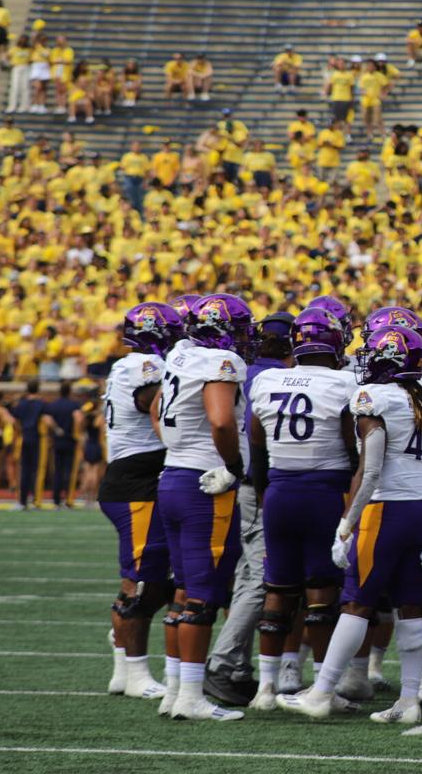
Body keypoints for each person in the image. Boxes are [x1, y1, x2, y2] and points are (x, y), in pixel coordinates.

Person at [278, 325, 422, 724]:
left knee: (355, 602)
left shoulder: (374, 397)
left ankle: (321, 691)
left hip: (386, 510)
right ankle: (408, 700)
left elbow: (370, 472)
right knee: (410, 604)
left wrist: (347, 524)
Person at [244, 308, 357, 711]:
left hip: (279, 488)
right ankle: (323, 687)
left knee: (278, 590)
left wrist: (262, 492)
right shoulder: (344, 382)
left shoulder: (267, 379)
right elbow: (352, 444)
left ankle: (266, 689)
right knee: (322, 594)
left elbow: (256, 442)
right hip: (324, 491)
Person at [153, 293, 257, 721]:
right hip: (205, 485)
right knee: (201, 595)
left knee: (181, 591)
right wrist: (233, 464)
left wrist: (179, 446)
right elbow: (220, 420)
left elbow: (158, 410)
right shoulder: (220, 363)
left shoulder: (180, 354)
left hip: (173, 475)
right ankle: (192, 698)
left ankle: (176, 690)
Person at [205, 312, 297, 708]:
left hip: (242, 481)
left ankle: (236, 665)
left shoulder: (243, 371)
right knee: (260, 577)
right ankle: (223, 664)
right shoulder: (274, 377)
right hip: (263, 482)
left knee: (247, 574)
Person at [99, 303, 181, 700]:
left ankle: (122, 669)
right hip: (136, 483)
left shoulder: (127, 364)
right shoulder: (143, 365)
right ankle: (134, 672)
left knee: (142, 578)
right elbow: (156, 407)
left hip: (133, 479)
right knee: (141, 581)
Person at [10, 380, 49, 509]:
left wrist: (20, 430)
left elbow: (15, 421)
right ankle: (36, 500)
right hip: (37, 437)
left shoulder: (21, 404)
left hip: (24, 437)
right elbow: (46, 419)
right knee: (38, 470)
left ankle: (22, 500)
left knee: (24, 470)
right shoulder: (41, 404)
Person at [45, 380, 83, 509]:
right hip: (70, 440)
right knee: (70, 472)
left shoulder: (53, 405)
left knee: (57, 471)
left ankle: (56, 500)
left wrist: (56, 429)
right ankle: (68, 499)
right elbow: (78, 418)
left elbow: (48, 420)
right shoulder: (73, 405)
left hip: (57, 440)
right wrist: (77, 434)